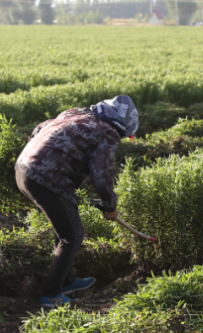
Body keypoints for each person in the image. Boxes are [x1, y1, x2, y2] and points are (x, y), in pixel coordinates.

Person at [15, 95, 139, 309]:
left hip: (23, 169)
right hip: (48, 178)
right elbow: (101, 173)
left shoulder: (74, 113)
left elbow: (38, 130)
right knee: (72, 234)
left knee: (64, 228)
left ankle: (67, 281)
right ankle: (51, 295)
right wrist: (110, 205)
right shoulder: (108, 132)